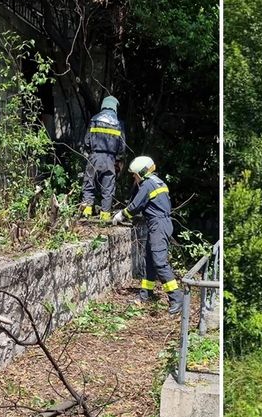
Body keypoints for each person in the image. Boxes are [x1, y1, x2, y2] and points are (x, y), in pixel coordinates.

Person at [112, 156, 188, 315]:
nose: (133, 176)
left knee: (159, 262)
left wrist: (121, 215)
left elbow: (135, 206)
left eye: (134, 174)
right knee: (149, 260)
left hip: (158, 226)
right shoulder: (159, 182)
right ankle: (146, 293)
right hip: (159, 224)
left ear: (141, 172)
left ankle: (176, 297)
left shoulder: (147, 185)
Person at [80, 95, 126, 222]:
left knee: (89, 184)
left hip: (94, 157)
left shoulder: (94, 119)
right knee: (108, 187)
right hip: (110, 159)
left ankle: (86, 213)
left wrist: (90, 153)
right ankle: (105, 217)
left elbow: (87, 141)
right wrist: (117, 159)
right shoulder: (118, 124)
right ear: (115, 107)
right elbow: (122, 147)